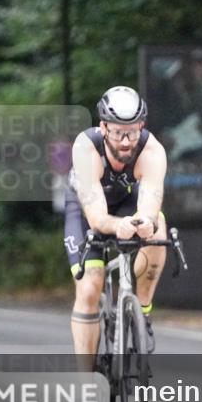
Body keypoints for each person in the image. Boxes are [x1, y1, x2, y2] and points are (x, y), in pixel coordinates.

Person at [64, 86, 168, 367]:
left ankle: (142, 311)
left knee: (159, 228)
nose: (125, 141)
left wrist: (145, 221)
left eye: (132, 132)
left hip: (125, 202)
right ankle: (86, 380)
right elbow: (97, 218)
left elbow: (150, 201)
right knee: (89, 287)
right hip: (87, 208)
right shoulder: (86, 148)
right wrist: (117, 225)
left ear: (142, 127)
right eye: (118, 132)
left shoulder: (152, 150)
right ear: (104, 127)